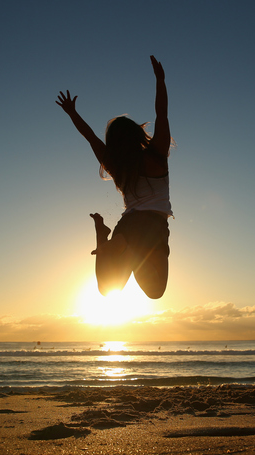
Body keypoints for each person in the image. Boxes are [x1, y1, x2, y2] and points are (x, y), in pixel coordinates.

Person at [56, 55, 172, 299]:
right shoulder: (157, 156)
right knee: (156, 291)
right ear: (135, 134)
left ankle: (104, 237)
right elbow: (161, 113)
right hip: (152, 225)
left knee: (107, 289)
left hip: (127, 226)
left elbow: (90, 137)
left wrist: (72, 113)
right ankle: (126, 247)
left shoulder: (117, 166)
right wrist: (160, 80)